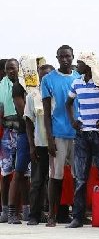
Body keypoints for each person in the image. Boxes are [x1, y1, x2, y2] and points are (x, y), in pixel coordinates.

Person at [64, 52, 99, 228]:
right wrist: (73, 121)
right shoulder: (77, 82)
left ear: (88, 65)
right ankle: (77, 217)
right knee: (80, 177)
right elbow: (68, 103)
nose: (77, 65)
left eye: (80, 63)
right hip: (82, 135)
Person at [41, 45, 80, 227]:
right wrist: (49, 138)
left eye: (68, 56)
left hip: (78, 134)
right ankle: (52, 215)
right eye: (61, 57)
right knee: (56, 176)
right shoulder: (48, 80)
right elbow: (47, 112)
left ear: (73, 57)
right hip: (58, 133)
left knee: (77, 176)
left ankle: (77, 214)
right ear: (57, 58)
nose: (65, 60)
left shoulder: (79, 78)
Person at [25, 63, 53, 225]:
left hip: (58, 142)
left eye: (48, 76)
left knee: (56, 179)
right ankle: (34, 215)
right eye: (42, 76)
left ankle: (60, 213)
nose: (44, 79)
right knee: (37, 180)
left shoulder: (58, 93)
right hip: (40, 143)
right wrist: (31, 145)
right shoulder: (32, 96)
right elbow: (29, 122)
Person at [1, 59, 27, 224]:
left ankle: (26, 210)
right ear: (5, 70)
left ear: (19, 69)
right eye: (8, 69)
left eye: (14, 68)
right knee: (5, 173)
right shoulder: (1, 86)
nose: (11, 71)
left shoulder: (25, 84)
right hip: (6, 133)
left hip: (24, 132)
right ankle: (5, 211)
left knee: (24, 173)